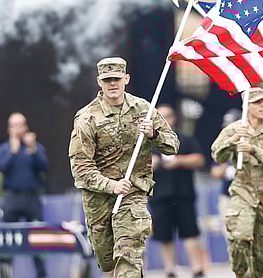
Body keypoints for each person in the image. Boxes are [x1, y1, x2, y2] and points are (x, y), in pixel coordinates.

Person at [68, 57, 179, 277]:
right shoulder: (87, 118)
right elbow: (80, 169)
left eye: (116, 79)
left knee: (128, 255)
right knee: (107, 263)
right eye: (107, 79)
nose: (112, 84)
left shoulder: (143, 109)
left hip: (133, 192)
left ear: (126, 79)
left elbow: (173, 145)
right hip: (98, 198)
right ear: (99, 82)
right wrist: (111, 186)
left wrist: (154, 135)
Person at [211, 87, 263, 278]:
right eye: (257, 103)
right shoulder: (235, 128)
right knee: (240, 236)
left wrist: (253, 149)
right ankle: (239, 273)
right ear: (247, 106)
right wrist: (233, 140)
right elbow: (217, 155)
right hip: (243, 192)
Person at [150, 104, 208, 278]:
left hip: (183, 194)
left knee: (190, 232)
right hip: (160, 195)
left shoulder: (186, 139)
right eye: (162, 116)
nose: (166, 120)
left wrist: (179, 162)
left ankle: (197, 269)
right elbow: (140, 166)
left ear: (175, 117)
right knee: (164, 235)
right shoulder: (148, 142)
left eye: (169, 115)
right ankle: (170, 270)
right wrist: (155, 162)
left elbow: (199, 160)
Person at [0, 111, 50, 278]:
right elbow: (2, 168)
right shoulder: (3, 149)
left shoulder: (35, 147)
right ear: (9, 128)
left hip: (32, 198)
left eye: (21, 124)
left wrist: (33, 149)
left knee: (37, 239)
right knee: (8, 239)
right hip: (12, 197)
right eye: (14, 125)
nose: (18, 128)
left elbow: (44, 167)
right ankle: (5, 274)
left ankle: (41, 274)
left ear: (26, 126)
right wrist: (13, 150)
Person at [210, 109, 241, 237]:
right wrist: (225, 169)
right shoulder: (224, 146)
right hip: (227, 194)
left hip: (245, 195)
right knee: (228, 232)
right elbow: (215, 172)